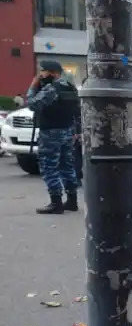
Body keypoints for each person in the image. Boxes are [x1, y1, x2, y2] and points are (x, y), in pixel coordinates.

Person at [26, 60, 80, 214]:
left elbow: (32, 104)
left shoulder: (52, 89)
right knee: (67, 166)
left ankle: (55, 202)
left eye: (42, 71)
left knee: (49, 166)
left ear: (52, 73)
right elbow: (76, 110)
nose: (40, 75)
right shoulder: (70, 87)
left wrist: (33, 86)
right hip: (67, 130)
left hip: (51, 132)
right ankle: (72, 201)